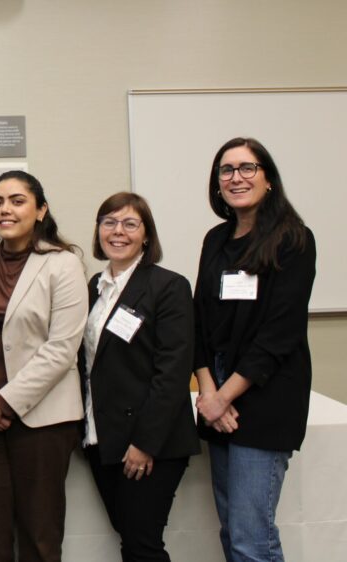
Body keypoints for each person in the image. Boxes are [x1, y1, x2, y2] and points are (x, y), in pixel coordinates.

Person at [193, 137, 316, 562]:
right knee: (234, 533)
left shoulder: (294, 239)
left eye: (247, 168)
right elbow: (199, 322)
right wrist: (209, 392)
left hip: (264, 396)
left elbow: (280, 334)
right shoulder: (215, 239)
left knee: (252, 539)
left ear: (268, 179)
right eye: (226, 170)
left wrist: (223, 397)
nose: (235, 178)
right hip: (218, 391)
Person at [0, 170, 88, 562]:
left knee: (39, 535)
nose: (5, 210)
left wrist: (3, 403)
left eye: (17, 201)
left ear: (40, 209)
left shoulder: (63, 265)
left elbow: (62, 349)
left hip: (44, 422)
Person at [79, 192, 200, 561]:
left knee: (141, 545)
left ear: (146, 235)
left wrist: (145, 443)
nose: (118, 232)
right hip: (103, 439)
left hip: (150, 444)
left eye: (130, 224)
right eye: (109, 222)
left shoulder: (168, 287)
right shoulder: (93, 289)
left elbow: (173, 372)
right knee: (131, 537)